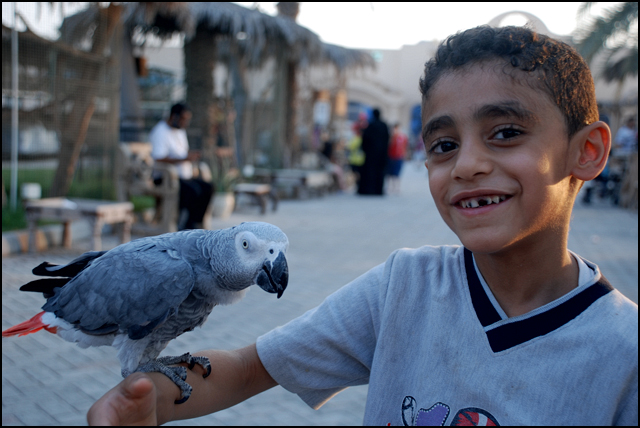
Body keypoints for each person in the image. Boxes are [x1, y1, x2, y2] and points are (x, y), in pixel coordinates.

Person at [88, 26, 638, 426]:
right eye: (444, 144)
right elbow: (247, 369)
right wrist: (149, 399)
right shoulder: (403, 287)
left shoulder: (625, 352)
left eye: (506, 132)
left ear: (587, 151)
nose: (467, 164)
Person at [149, 103, 214, 230]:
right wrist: (185, 159)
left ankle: (194, 224)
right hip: (165, 178)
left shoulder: (180, 131)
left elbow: (182, 152)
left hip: (183, 176)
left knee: (208, 187)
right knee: (193, 191)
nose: (186, 123)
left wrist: (191, 156)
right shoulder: (160, 131)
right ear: (174, 116)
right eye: (184, 119)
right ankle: (184, 226)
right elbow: (159, 158)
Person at [358, 108, 390, 195]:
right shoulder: (384, 126)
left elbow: (365, 139)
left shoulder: (370, 125)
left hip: (370, 155)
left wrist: (365, 150)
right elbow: (387, 140)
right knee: (380, 172)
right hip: (381, 154)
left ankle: (369, 190)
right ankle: (378, 190)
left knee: (370, 172)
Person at [386, 123, 409, 194]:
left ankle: (397, 187)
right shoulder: (391, 137)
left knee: (397, 173)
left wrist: (404, 155)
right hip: (391, 156)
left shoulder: (403, 137)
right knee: (390, 173)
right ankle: (390, 187)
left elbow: (405, 147)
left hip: (399, 157)